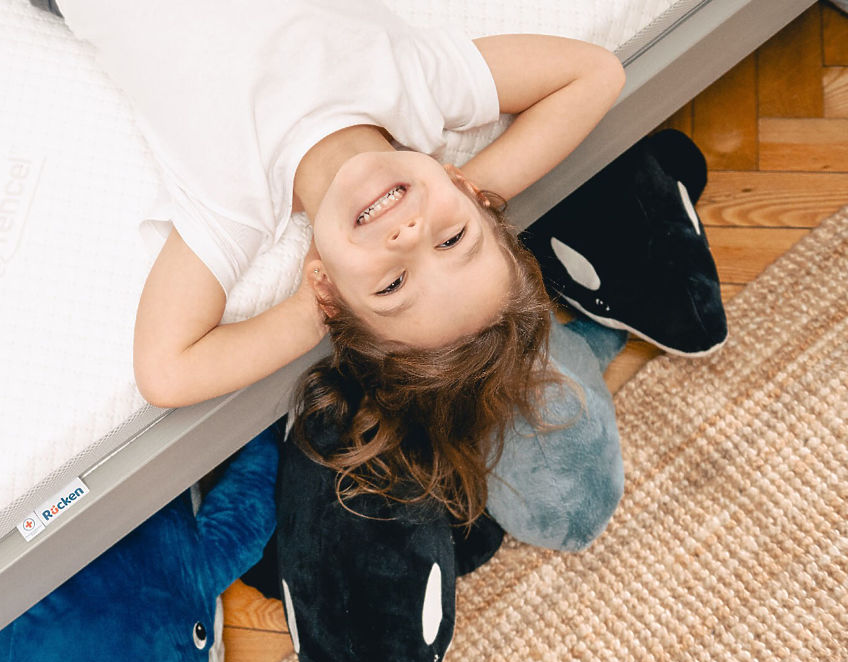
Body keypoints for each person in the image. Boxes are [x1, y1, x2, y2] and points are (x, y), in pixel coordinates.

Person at [46, 0, 624, 525]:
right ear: (467, 190)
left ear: (329, 289)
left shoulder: (234, 202)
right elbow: (596, 74)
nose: (409, 234)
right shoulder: (418, 84)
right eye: (452, 239)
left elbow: (165, 373)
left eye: (393, 284)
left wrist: (309, 313)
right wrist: (468, 190)